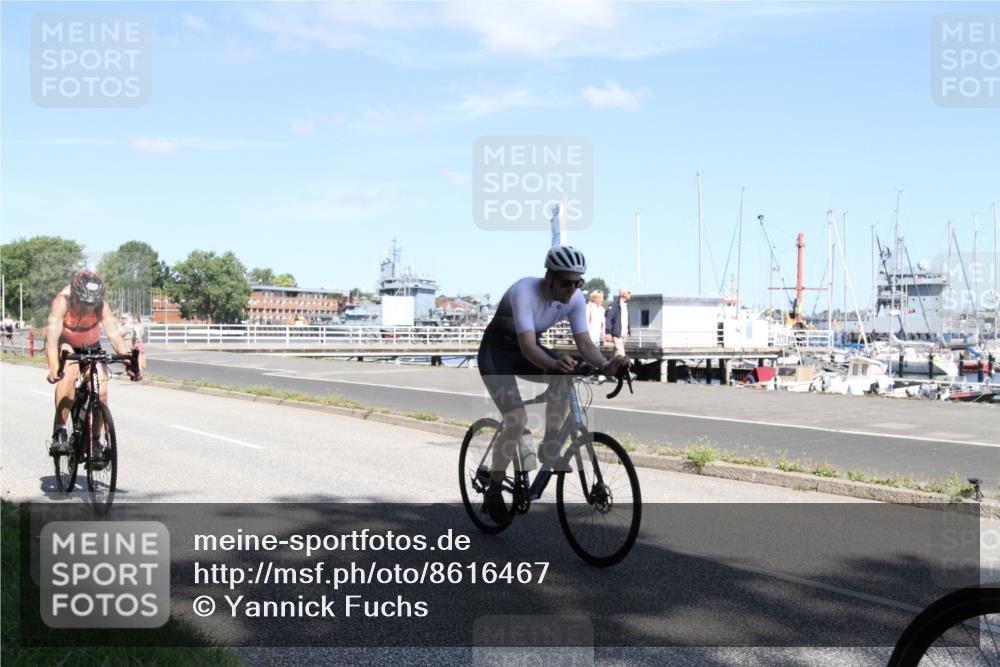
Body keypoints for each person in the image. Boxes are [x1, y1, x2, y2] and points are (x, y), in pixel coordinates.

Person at [477, 246, 628, 524]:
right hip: (497, 354)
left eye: (577, 283)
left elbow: (584, 344)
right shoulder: (525, 291)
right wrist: (552, 365)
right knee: (516, 420)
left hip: (528, 350)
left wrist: (606, 365)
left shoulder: (576, 299)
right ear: (549, 277)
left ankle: (550, 446)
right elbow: (527, 346)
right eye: (565, 283)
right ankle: (494, 491)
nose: (572, 289)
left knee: (566, 374)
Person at [46, 270, 140, 460]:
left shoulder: (101, 305)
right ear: (74, 294)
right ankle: (60, 431)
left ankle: (95, 441)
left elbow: (114, 335)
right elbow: (51, 340)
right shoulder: (61, 302)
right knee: (69, 373)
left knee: (102, 392)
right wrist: (54, 368)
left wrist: (129, 361)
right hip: (66, 344)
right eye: (83, 303)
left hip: (91, 346)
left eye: (92, 304)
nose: (88, 308)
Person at [605, 287, 632, 357]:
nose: (630, 294)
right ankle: (622, 368)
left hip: (624, 334)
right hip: (616, 333)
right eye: (629, 292)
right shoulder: (615, 304)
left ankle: (609, 367)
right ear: (623, 294)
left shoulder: (626, 305)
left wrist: (628, 331)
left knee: (615, 354)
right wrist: (608, 332)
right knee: (621, 354)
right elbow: (609, 318)